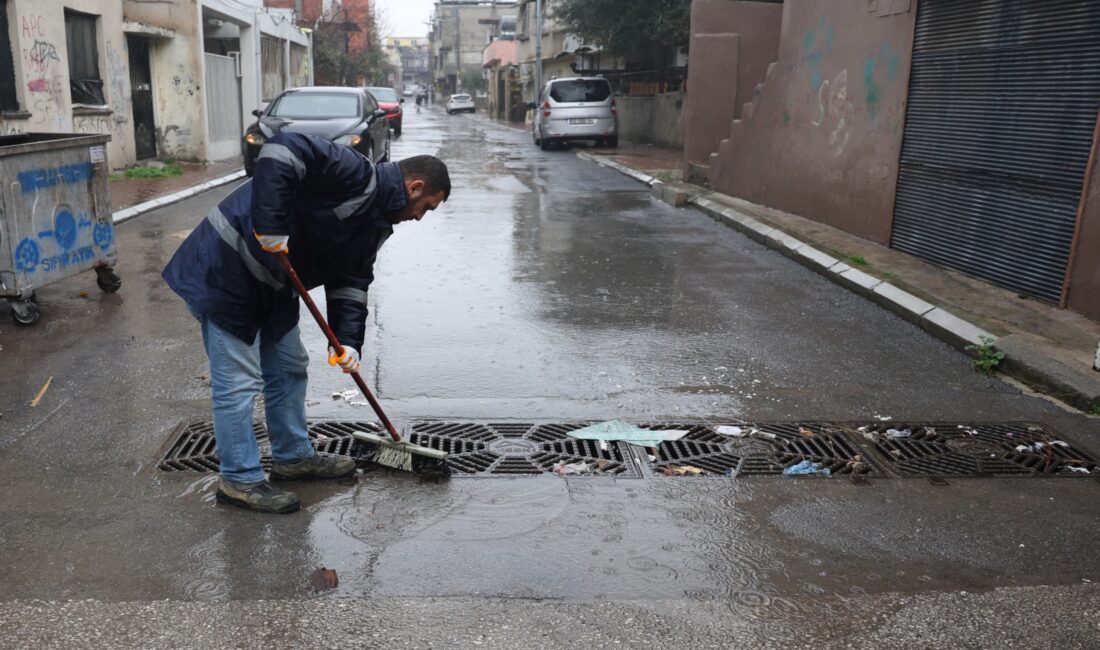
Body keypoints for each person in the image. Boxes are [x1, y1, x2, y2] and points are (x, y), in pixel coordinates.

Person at [162, 132, 451, 514]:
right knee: (239, 382)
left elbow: (352, 280)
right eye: (426, 207)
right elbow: (284, 148)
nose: (419, 217)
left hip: (273, 284)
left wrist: (348, 342)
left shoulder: (376, 224)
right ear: (414, 186)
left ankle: (294, 458)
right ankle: (239, 479)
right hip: (226, 270)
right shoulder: (354, 173)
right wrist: (270, 223)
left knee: (289, 368)